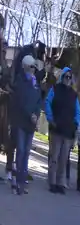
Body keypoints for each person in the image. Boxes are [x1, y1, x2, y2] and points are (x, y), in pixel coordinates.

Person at [44, 66, 80, 194]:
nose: (68, 79)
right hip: (56, 129)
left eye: (70, 77)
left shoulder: (73, 94)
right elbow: (48, 102)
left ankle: (60, 183)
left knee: (64, 158)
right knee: (54, 157)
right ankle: (52, 182)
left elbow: (77, 111)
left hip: (68, 131)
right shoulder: (55, 89)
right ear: (62, 77)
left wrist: (75, 123)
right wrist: (50, 118)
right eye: (66, 76)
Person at [9, 54, 43, 194]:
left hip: (31, 124)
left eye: (34, 67)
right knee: (21, 151)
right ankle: (16, 181)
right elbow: (21, 102)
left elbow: (38, 101)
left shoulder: (35, 83)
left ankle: (23, 181)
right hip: (21, 122)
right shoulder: (20, 82)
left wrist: (36, 114)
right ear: (25, 67)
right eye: (31, 67)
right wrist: (31, 115)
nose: (33, 69)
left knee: (26, 153)